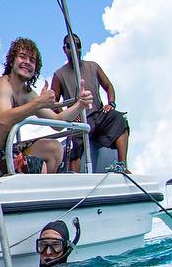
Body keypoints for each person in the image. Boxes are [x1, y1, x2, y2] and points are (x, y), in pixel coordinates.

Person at [0, 37, 93, 178]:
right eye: (22, 57)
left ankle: (45, 193)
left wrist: (80, 105)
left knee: (54, 149)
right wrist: (38, 103)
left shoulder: (28, 95)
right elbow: (3, 120)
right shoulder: (2, 85)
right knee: (35, 164)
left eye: (32, 60)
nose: (27, 63)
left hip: (7, 151)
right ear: (12, 61)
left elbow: (58, 122)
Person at [50, 34, 130, 171]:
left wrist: (111, 104)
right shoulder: (59, 75)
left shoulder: (93, 66)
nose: (75, 49)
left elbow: (109, 86)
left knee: (119, 119)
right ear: (64, 49)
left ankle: (123, 166)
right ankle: (76, 178)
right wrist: (67, 115)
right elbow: (53, 103)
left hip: (98, 114)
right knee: (75, 140)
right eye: (70, 46)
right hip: (78, 120)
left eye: (78, 45)